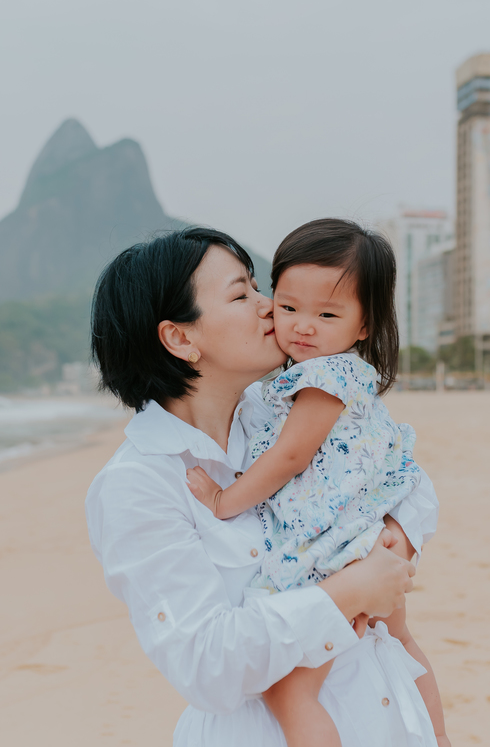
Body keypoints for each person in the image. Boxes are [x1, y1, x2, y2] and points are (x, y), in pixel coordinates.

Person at [86, 226, 440, 746]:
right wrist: (347, 591)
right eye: (241, 293)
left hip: (388, 715)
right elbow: (207, 664)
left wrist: (396, 535)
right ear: (180, 338)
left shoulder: (280, 410)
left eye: (258, 286)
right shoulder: (140, 483)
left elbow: (402, 471)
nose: (268, 305)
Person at [186, 218, 447, 747]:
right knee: (399, 639)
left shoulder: (324, 378)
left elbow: (290, 456)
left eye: (327, 314)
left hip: (333, 546)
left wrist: (223, 499)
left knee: (291, 693)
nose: (303, 326)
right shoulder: (337, 379)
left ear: (365, 324)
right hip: (364, 535)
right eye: (289, 308)